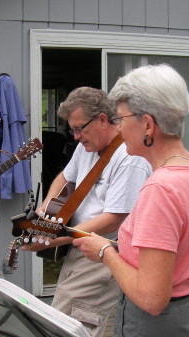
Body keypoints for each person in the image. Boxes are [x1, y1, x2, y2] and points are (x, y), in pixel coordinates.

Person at [74, 64, 189, 337]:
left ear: (147, 124)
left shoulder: (160, 189)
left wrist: (105, 252)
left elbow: (152, 300)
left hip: (157, 324)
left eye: (121, 118)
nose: (118, 127)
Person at [22, 87, 151, 337]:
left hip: (105, 251)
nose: (76, 136)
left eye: (80, 128)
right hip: (79, 244)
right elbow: (64, 177)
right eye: (73, 129)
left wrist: (59, 234)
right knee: (63, 315)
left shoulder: (129, 157)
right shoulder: (87, 145)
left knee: (69, 325)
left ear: (103, 119)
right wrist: (46, 208)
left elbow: (115, 218)